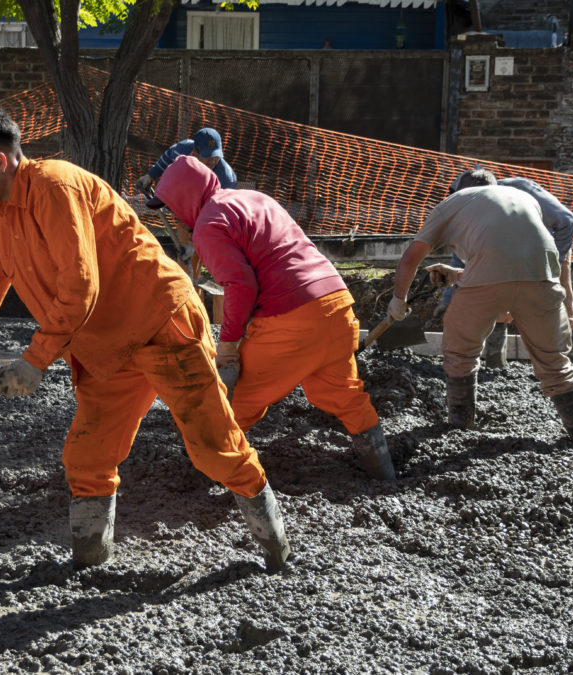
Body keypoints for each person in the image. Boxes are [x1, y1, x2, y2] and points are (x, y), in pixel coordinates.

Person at [0, 107, 291, 571]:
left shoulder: (56, 187)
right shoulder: (4, 219)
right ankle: (89, 564)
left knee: (213, 448)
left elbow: (81, 285)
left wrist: (35, 359)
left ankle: (277, 550)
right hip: (107, 349)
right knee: (86, 456)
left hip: (162, 325)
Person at [147, 155, 395, 480]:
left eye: (171, 208)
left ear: (184, 199)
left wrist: (228, 346)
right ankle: (385, 475)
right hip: (335, 304)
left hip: (292, 318)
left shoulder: (208, 224)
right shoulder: (254, 198)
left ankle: (209, 477)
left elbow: (239, 285)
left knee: (235, 403)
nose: (172, 218)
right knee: (345, 394)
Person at [388, 168, 573, 448]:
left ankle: (461, 427)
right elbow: (511, 262)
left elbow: (411, 258)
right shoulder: (520, 196)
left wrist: (398, 302)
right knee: (556, 363)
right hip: (544, 279)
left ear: (457, 190)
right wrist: (460, 274)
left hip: (489, 281)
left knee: (460, 351)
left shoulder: (452, 202)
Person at [432, 170, 573, 366]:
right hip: (509, 244)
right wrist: (447, 299)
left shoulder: (522, 189)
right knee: (500, 293)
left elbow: (568, 221)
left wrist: (554, 263)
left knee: (560, 296)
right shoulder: (472, 209)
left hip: (552, 241)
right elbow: (463, 254)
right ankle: (496, 361)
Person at [135, 127, 237, 195]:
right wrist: (151, 176)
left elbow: (218, 209)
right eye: (208, 156)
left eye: (216, 156)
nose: (213, 161)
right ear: (194, 152)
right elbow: (166, 160)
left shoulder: (227, 179)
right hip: (177, 194)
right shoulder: (182, 149)